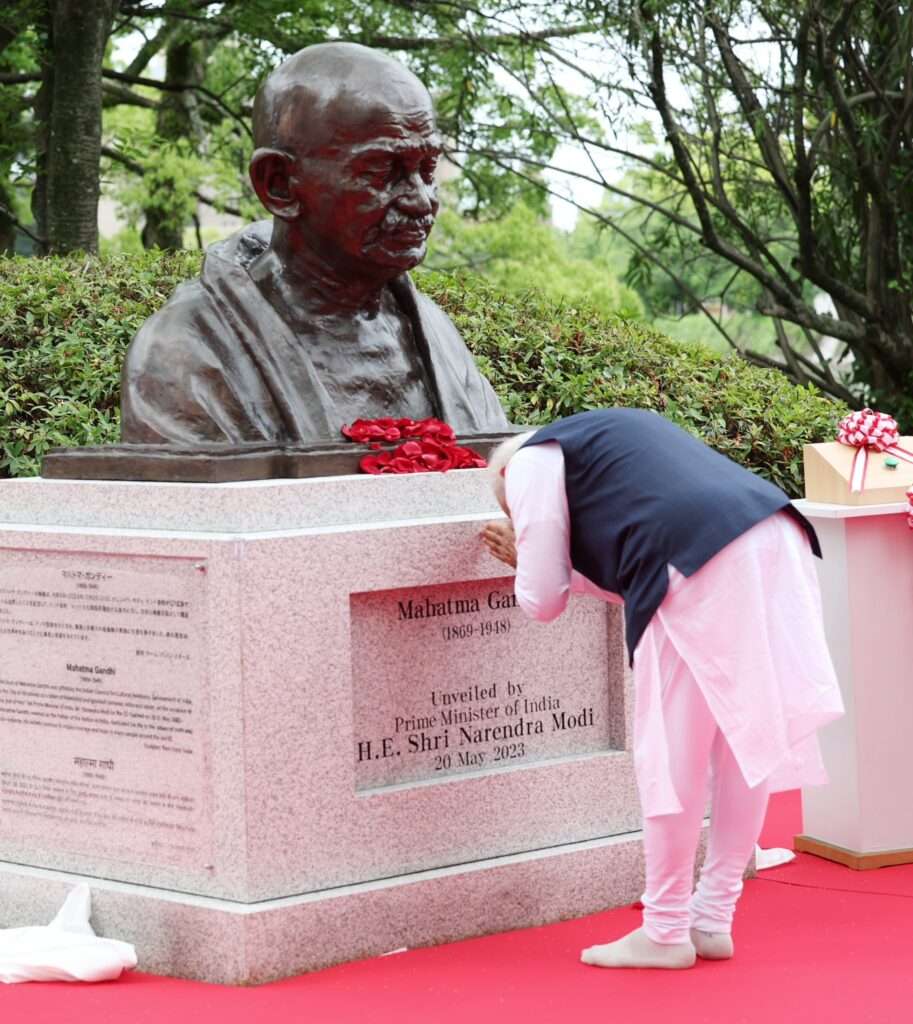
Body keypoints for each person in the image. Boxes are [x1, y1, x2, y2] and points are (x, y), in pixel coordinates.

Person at [482, 408, 843, 969]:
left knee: (670, 753)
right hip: (772, 532)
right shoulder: (608, 439)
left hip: (694, 556)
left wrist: (523, 553)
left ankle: (666, 928)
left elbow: (542, 599)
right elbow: (634, 566)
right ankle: (713, 917)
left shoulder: (525, 466)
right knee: (745, 742)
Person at [120, 43, 507, 444]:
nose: (421, 199)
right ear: (279, 184)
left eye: (426, 170)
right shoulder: (188, 352)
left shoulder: (435, 335)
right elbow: (199, 501)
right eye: (382, 171)